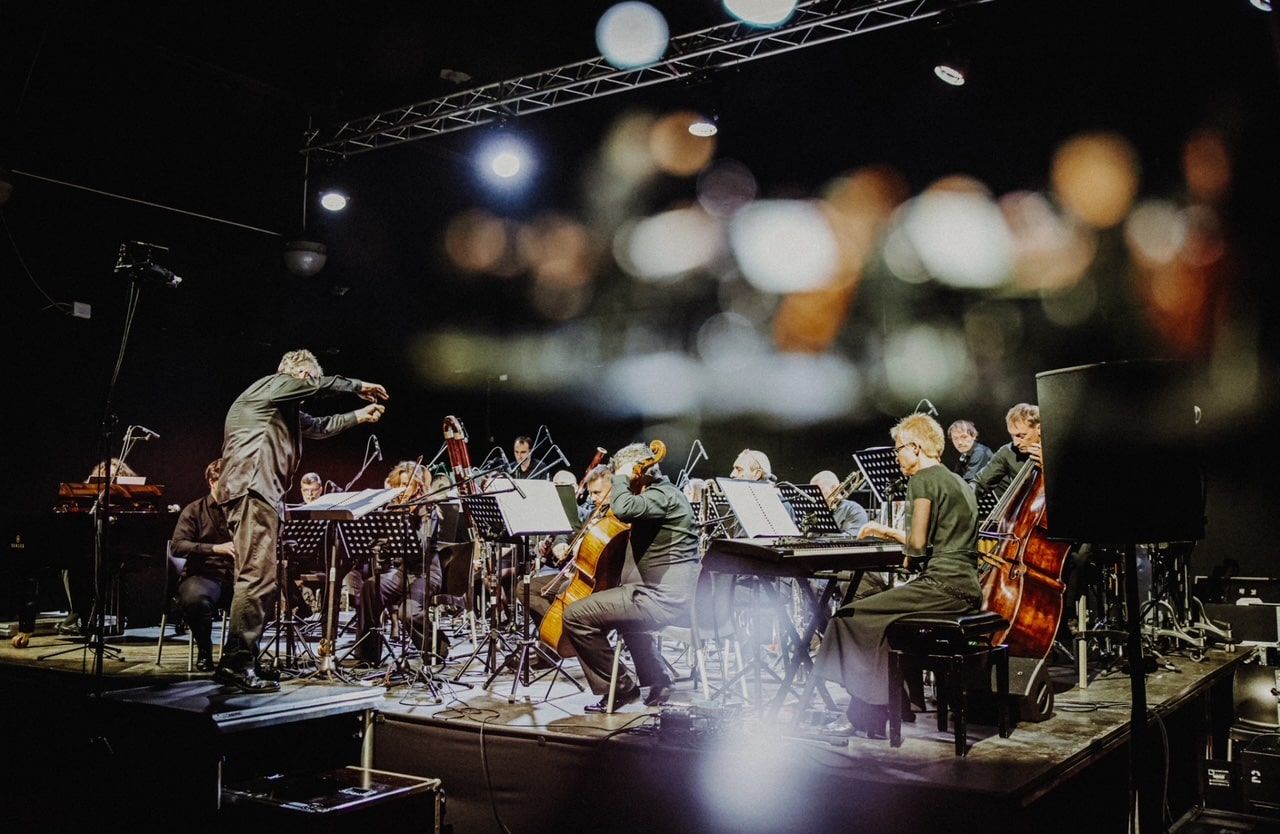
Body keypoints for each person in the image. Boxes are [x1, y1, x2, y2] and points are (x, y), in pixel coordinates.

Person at [215, 348, 387, 693]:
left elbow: (319, 427)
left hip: (258, 492)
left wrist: (359, 416)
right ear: (298, 374)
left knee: (261, 579)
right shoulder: (271, 386)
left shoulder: (283, 408)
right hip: (252, 488)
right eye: (309, 378)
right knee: (256, 578)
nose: (310, 385)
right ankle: (236, 664)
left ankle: (244, 659)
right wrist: (358, 386)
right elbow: (318, 386)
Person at [813, 412, 980, 738]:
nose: (896, 456)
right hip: (967, 587)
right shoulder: (959, 481)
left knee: (850, 616)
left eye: (898, 448)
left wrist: (889, 539)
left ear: (915, 448)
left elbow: (916, 547)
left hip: (941, 586)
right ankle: (887, 710)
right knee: (881, 625)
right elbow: (935, 541)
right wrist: (894, 539)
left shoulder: (922, 480)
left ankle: (867, 715)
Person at [562, 445, 700, 712]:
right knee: (623, 619)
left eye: (622, 477)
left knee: (575, 616)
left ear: (638, 473)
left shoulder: (662, 496)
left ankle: (621, 688)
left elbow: (624, 508)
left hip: (660, 599)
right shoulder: (661, 495)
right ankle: (658, 680)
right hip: (660, 594)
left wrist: (622, 477)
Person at [351, 461, 445, 665]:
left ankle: (438, 648)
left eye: (407, 484)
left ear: (418, 486)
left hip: (425, 572)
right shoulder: (394, 507)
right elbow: (384, 540)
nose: (403, 489)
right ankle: (368, 656)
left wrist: (408, 519)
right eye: (400, 484)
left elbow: (422, 547)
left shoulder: (429, 510)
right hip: (402, 571)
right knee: (370, 587)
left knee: (407, 612)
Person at [171, 458, 235, 672]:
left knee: (258, 597)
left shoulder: (240, 509)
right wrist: (215, 549)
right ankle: (205, 651)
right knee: (196, 600)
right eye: (225, 482)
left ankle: (239, 656)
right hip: (203, 574)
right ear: (212, 482)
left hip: (236, 574)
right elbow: (177, 546)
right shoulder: (194, 510)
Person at [972, 403, 1042, 501]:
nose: (1016, 443)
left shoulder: (1058, 449)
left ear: (1039, 429)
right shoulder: (1008, 452)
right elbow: (980, 483)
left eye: (1021, 436)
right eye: (1012, 436)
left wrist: (1048, 466)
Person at [810, 470, 870, 537]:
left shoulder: (855, 510)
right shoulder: (814, 513)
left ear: (834, 488)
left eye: (818, 490)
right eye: (812, 491)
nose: (814, 495)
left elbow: (853, 538)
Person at [947, 420, 994, 485]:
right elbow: (955, 478)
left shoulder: (980, 452)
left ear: (973, 436)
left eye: (964, 437)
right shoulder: (964, 455)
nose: (959, 442)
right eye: (955, 439)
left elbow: (969, 482)